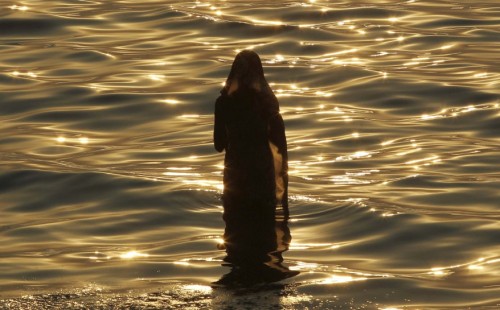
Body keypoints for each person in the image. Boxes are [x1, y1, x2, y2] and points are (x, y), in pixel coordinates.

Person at [213, 50, 290, 266]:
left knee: (236, 243)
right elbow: (282, 156)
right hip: (261, 183)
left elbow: (219, 146)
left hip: (235, 181)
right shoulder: (268, 106)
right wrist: (284, 203)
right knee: (264, 246)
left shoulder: (223, 103)